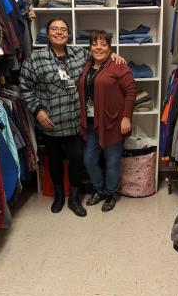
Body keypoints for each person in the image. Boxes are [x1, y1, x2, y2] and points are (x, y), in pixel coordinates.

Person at [19, 18, 125, 217]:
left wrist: (115, 55)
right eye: (54, 29)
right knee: (55, 160)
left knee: (77, 160)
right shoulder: (35, 58)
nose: (59, 32)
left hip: (76, 122)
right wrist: (37, 111)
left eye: (63, 29)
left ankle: (74, 198)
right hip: (49, 123)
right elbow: (24, 88)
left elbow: (100, 55)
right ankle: (59, 195)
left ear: (68, 34)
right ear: (48, 33)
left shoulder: (79, 54)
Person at [78, 30, 137, 212]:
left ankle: (111, 193)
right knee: (89, 159)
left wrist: (126, 117)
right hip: (91, 123)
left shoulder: (118, 66)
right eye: (95, 44)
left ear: (110, 48)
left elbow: (131, 91)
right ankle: (99, 189)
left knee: (112, 162)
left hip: (113, 123)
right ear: (90, 47)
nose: (99, 48)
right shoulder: (86, 65)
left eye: (103, 44)